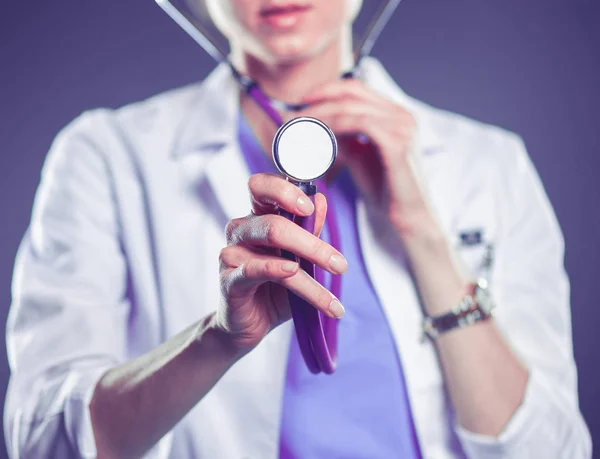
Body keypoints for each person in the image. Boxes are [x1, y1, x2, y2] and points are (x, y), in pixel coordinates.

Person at [3, 1, 592, 458]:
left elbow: (553, 449)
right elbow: (39, 441)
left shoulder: (489, 162)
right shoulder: (107, 155)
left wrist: (423, 233)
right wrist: (216, 339)